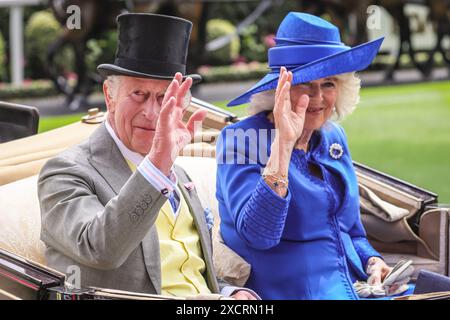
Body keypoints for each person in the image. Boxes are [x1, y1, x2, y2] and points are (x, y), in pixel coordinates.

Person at [38, 13, 256, 300]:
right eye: (138, 94)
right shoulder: (66, 172)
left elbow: (189, 269)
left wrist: (231, 293)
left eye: (164, 98)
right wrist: (156, 166)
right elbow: (100, 249)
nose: (152, 113)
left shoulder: (180, 176)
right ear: (109, 96)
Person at [215, 12, 414, 300]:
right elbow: (258, 236)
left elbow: (350, 230)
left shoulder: (333, 137)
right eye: (305, 83)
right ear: (278, 89)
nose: (318, 98)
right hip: (289, 292)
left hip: (355, 287)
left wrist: (372, 261)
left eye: (329, 83)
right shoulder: (242, 139)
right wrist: (284, 143)